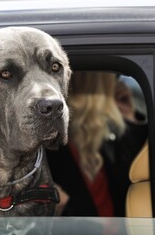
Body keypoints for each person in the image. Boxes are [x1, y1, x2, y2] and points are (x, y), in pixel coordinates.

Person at [47, 71, 148, 217]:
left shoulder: (109, 132)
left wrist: (130, 115)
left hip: (122, 233)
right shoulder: (49, 141)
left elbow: (137, 179)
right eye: (114, 78)